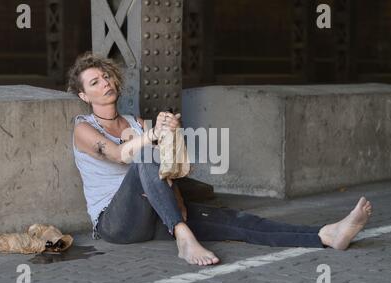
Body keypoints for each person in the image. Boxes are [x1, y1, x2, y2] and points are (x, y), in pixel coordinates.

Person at [68, 52, 373, 266]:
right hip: (116, 224)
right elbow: (121, 155)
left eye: (106, 76)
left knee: (236, 221)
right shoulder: (84, 128)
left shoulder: (137, 123)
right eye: (94, 82)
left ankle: (325, 235)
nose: (105, 83)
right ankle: (184, 239)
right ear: (84, 95)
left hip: (157, 215)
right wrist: (152, 136)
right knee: (144, 157)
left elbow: (164, 172)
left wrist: (177, 200)